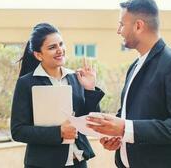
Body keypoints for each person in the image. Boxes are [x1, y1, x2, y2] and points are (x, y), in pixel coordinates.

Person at [87, 0, 171, 168]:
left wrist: (125, 128)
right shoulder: (134, 66)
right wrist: (116, 135)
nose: (119, 31)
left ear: (138, 26)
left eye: (122, 24)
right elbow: (129, 116)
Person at [11, 23, 105, 168]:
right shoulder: (26, 83)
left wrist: (90, 88)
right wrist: (58, 132)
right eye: (52, 47)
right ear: (38, 54)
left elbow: (91, 123)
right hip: (43, 164)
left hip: (78, 162)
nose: (60, 50)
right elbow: (18, 131)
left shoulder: (75, 78)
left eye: (61, 44)